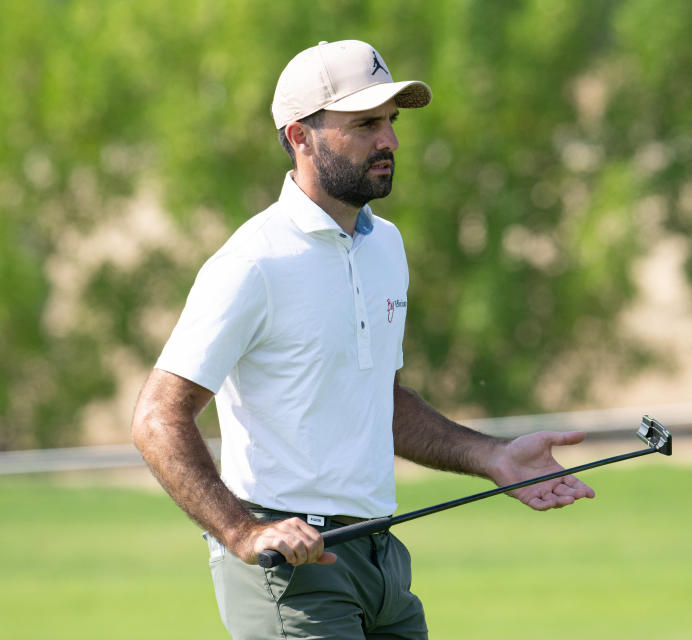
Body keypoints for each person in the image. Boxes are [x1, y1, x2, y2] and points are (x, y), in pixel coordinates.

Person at [131, 39, 595, 640]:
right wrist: (243, 532)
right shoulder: (252, 262)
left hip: (382, 561)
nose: (390, 142)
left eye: (392, 122)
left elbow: (382, 402)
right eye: (366, 124)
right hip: (291, 572)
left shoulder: (386, 246)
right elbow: (157, 418)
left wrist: (493, 457)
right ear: (300, 136)